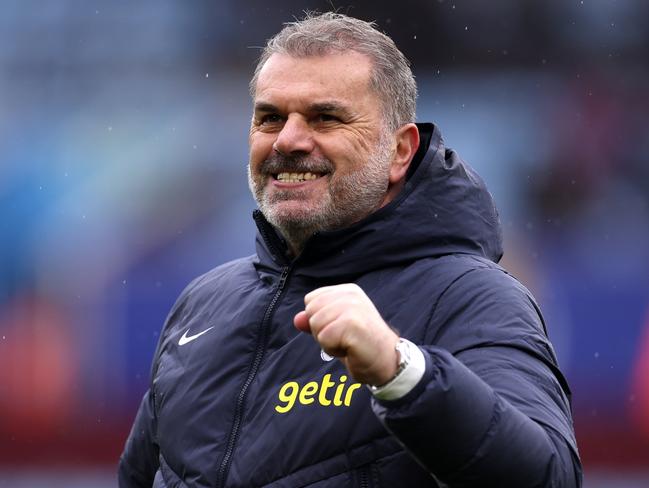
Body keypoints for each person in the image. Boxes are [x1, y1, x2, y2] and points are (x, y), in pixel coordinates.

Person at [119, 12, 582, 487]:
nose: (288, 140)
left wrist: (400, 370)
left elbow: (549, 479)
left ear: (401, 151)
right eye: (270, 118)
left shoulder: (470, 297)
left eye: (326, 117)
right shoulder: (202, 303)